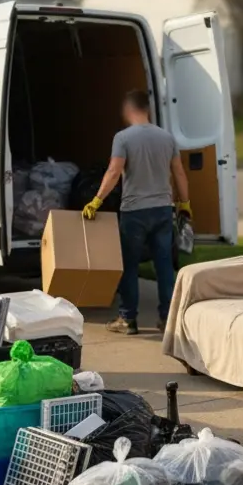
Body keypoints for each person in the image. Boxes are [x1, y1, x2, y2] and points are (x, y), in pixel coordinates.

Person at [83, 90, 191, 335]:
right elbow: (179, 172)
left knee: (129, 266)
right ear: (147, 109)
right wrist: (184, 203)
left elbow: (113, 171)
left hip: (135, 212)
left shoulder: (123, 138)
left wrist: (96, 201)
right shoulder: (167, 138)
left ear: (129, 110)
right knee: (164, 266)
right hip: (164, 210)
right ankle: (167, 320)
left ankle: (127, 319)